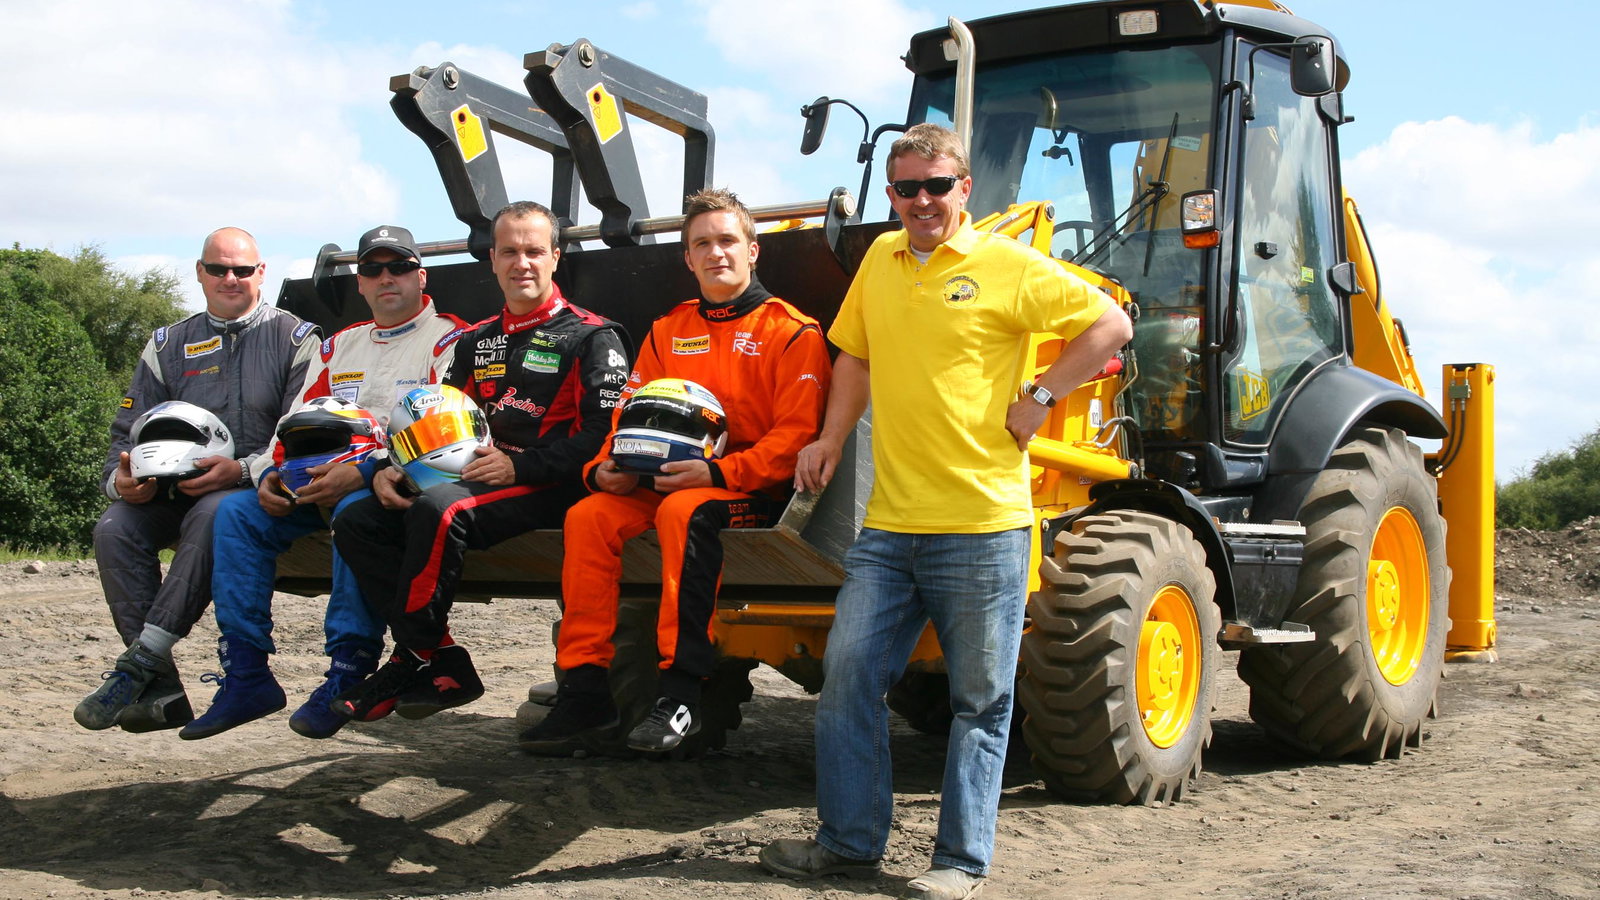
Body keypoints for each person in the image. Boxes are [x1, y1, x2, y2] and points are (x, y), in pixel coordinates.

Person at [758, 124, 1133, 900]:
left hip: (983, 527)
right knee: (849, 680)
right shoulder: (880, 261)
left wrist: (1039, 395)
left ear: (965, 188)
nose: (921, 201)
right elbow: (854, 354)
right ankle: (851, 842)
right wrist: (830, 437)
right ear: (891, 194)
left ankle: (960, 863)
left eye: (936, 186)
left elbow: (1110, 325)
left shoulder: (1009, 266)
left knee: (980, 701)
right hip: (889, 525)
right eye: (906, 188)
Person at [519, 188, 832, 755]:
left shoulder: (792, 332)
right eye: (701, 244)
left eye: (728, 241)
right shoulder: (667, 331)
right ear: (687, 258)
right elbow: (626, 414)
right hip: (656, 483)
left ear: (753, 251)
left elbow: (794, 441)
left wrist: (715, 475)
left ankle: (682, 690)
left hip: (746, 491)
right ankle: (584, 687)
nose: (716, 253)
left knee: (686, 509)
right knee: (588, 515)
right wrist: (602, 469)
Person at [330, 201, 630, 723]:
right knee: (357, 518)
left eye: (535, 251)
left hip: (554, 484)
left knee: (441, 509)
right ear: (492, 260)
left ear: (555, 257)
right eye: (510, 252)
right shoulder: (477, 340)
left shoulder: (593, 336)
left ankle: (410, 656)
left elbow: (603, 438)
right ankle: (446, 659)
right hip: (474, 482)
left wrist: (521, 468)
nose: (523, 263)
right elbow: (428, 420)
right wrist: (394, 467)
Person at [179, 226, 472, 741]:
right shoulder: (338, 345)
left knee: (355, 511)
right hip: (308, 478)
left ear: (420, 276)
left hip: (385, 488)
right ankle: (246, 674)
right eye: (373, 269)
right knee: (234, 514)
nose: (386, 278)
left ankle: (348, 670)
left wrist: (361, 470)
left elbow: (441, 432)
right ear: (359, 282)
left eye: (399, 267)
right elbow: (293, 422)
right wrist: (269, 471)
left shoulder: (451, 338)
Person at [75, 227, 319, 733]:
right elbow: (127, 430)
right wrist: (120, 482)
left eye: (243, 269)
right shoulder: (166, 344)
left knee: (215, 513)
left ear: (261, 273)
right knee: (113, 527)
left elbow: (301, 429)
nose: (231, 279)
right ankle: (162, 690)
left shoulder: (298, 339)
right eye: (218, 269)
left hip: (252, 492)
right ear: (200, 273)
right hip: (166, 494)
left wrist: (245, 469)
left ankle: (140, 665)